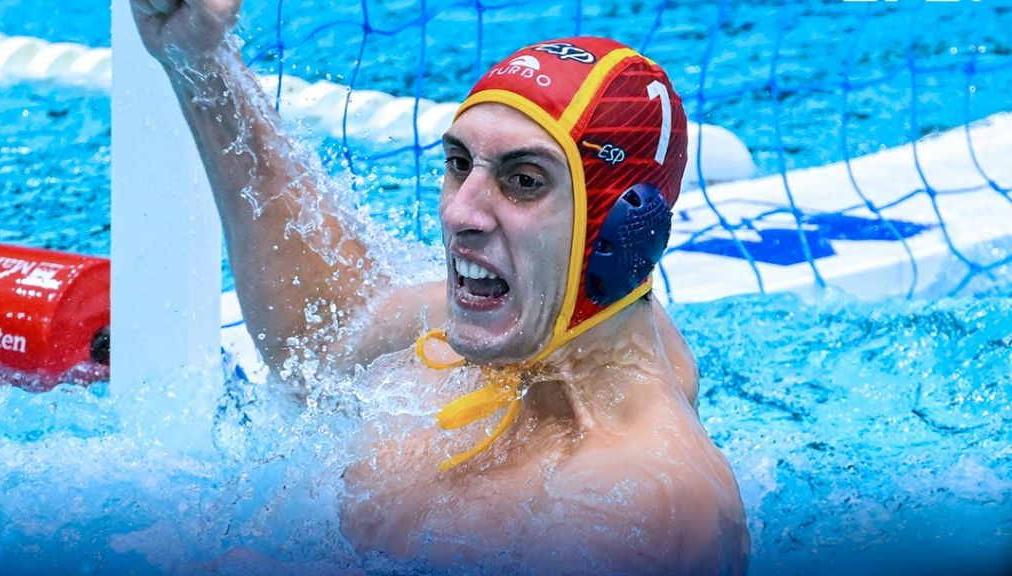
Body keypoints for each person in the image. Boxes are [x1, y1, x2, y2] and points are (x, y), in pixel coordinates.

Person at [131, 0, 750, 573]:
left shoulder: (636, 509)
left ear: (620, 230)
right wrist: (201, 63)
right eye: (459, 164)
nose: (459, 212)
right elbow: (321, 339)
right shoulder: (513, 330)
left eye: (524, 181)